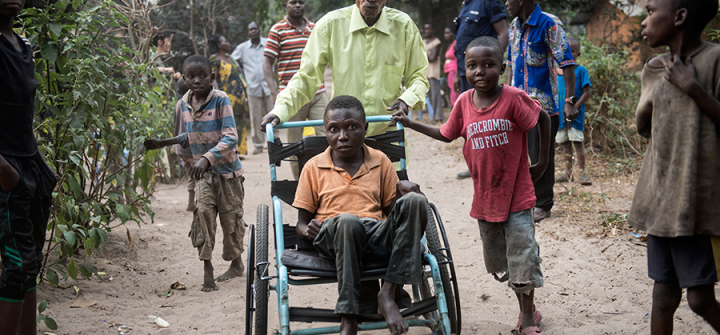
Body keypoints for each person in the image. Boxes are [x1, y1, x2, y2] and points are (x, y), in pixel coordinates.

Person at [392, 36, 550, 335]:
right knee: (500, 261)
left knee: (522, 255)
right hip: (486, 199)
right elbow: (446, 134)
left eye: (488, 65)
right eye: (473, 66)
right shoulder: (463, 102)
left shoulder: (513, 98)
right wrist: (410, 123)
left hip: (517, 195)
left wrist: (541, 163)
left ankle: (527, 317)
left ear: (501, 68)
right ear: (464, 69)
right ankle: (527, 308)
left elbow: (542, 118)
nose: (480, 71)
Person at [295, 95, 428, 335]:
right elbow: (301, 224)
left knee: (416, 201)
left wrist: (403, 194)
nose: (342, 136)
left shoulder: (380, 160)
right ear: (325, 131)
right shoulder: (313, 166)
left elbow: (392, 215)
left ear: (364, 128)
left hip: (375, 233)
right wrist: (307, 230)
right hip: (335, 234)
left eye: (351, 127)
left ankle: (387, 295)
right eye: (333, 129)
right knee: (348, 221)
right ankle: (349, 315)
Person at [628, 0, 720, 333]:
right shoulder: (653, 68)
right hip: (659, 199)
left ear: (680, 17)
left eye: (651, 12)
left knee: (699, 299)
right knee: (664, 294)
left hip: (696, 201)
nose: (644, 22)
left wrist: (693, 89)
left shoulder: (714, 60)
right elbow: (645, 124)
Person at [144, 55, 246, 293]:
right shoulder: (185, 102)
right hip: (204, 176)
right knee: (203, 218)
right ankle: (207, 271)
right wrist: (162, 143)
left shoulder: (221, 101)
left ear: (212, 77)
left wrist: (208, 159)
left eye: (203, 75)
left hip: (228, 172)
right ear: (184, 77)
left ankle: (236, 263)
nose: (197, 80)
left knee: (230, 219)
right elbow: (189, 136)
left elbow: (231, 137)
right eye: (191, 76)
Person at [260, 0, 429, 140]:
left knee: (393, 181)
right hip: (344, 137)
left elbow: (419, 77)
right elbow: (307, 77)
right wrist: (280, 110)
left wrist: (406, 99)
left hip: (388, 132)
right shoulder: (330, 25)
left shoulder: (404, 26)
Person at [0, 0, 58, 333]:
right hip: (7, 169)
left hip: (28, 164)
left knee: (30, 262)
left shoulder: (22, 46)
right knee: (18, 264)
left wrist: (39, 168)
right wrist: (4, 170)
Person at [505, 0, 577, 222]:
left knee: (540, 155)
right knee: (516, 153)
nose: (506, 4)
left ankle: (543, 203)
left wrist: (570, 101)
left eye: (509, 0)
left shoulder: (550, 24)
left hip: (542, 107)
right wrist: (504, 96)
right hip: (516, 104)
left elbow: (567, 63)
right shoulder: (513, 27)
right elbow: (510, 63)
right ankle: (523, 199)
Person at [263, 0, 328, 178]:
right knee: (294, 144)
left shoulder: (315, 28)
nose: (297, 5)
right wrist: (274, 92)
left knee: (329, 136)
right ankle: (300, 184)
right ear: (285, 6)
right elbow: (268, 64)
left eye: (301, 2)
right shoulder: (278, 30)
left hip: (318, 93)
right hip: (292, 96)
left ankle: (329, 178)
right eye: (293, 2)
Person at [453, 0, 508, 180]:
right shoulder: (466, 5)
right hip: (466, 72)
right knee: (470, 121)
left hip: (482, 75)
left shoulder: (487, 2)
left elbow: (503, 34)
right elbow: (461, 43)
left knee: (487, 120)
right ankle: (475, 164)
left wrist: (495, 66)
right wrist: (457, 74)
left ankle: (493, 164)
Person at [232, 22, 276, 155]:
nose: (253, 31)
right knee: (255, 117)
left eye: (255, 29)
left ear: (259, 30)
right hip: (252, 87)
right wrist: (241, 75)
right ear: (248, 32)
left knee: (274, 114)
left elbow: (277, 56)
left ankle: (274, 143)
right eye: (251, 29)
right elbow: (232, 61)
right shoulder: (242, 48)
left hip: (269, 86)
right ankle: (258, 145)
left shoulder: (268, 42)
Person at [555, 39, 592, 186]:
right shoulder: (555, 71)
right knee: (564, 143)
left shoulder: (580, 71)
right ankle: (567, 173)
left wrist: (575, 106)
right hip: (559, 115)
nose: (569, 54)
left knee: (577, 141)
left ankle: (582, 173)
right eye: (566, 50)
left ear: (578, 53)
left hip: (575, 114)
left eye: (572, 51)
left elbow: (587, 92)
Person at [208, 34, 249, 156]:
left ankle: (240, 150)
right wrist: (218, 94)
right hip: (227, 96)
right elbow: (213, 78)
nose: (228, 43)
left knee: (240, 122)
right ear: (219, 45)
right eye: (224, 41)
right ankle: (229, 151)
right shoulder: (214, 59)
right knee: (228, 124)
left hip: (238, 96)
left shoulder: (231, 58)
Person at [172, 78, 196, 212]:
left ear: (178, 91)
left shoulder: (177, 104)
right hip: (191, 148)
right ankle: (197, 202)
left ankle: (191, 203)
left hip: (181, 148)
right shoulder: (192, 105)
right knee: (199, 175)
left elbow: (175, 124)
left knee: (190, 175)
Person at [419, 23, 442, 123]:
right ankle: (433, 117)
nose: (426, 31)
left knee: (435, 96)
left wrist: (423, 55)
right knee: (429, 97)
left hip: (433, 72)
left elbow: (432, 58)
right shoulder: (423, 42)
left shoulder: (437, 42)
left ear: (433, 30)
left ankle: (438, 117)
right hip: (425, 72)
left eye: (428, 29)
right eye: (425, 29)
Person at [443, 25, 458, 108]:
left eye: (448, 33)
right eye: (445, 33)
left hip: (454, 72)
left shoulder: (456, 43)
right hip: (450, 72)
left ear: (453, 33)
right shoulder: (450, 44)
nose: (446, 35)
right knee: (451, 92)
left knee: (454, 93)